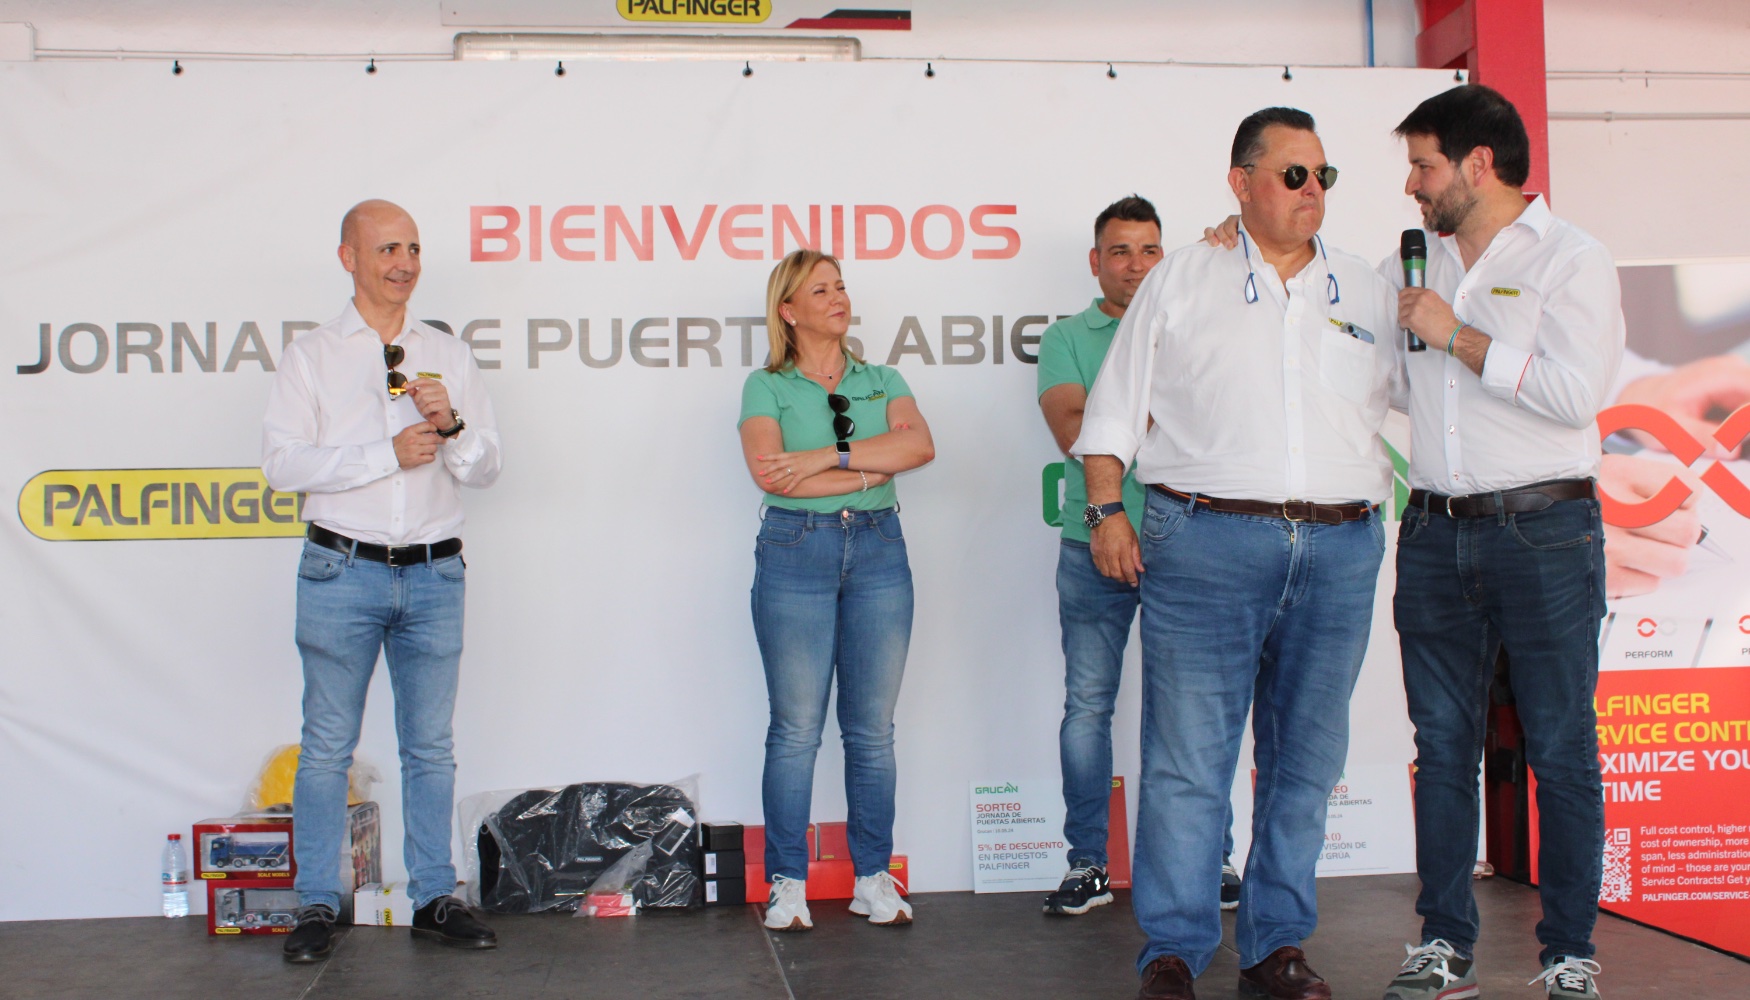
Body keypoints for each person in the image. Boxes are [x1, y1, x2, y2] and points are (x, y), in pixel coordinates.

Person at [1075, 108, 1398, 1000]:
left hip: (1340, 549)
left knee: (1306, 762)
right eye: (1293, 174)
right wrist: (1108, 510)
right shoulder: (1182, 276)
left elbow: (1426, 399)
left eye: (1323, 176)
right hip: (1204, 539)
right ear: (1240, 182)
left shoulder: (1370, 288)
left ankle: (1276, 946)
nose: (1312, 192)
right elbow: (1109, 415)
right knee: (1186, 760)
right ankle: (1173, 951)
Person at [1379, 85, 1622, 1000]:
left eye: (1424, 164)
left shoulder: (1573, 260)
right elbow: (1386, 379)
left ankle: (1568, 954)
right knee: (1440, 746)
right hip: (1436, 531)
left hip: (1547, 532)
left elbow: (1573, 396)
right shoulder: (1411, 263)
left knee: (1561, 745)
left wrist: (1460, 338)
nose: (1411, 183)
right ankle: (1443, 945)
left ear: (1480, 164)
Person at [262, 199, 503, 962]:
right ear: (349, 259)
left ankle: (436, 895)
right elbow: (282, 465)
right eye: (387, 248)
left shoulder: (446, 352)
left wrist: (453, 426)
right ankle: (313, 905)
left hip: (434, 570)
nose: (404, 262)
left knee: (430, 745)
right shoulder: (312, 356)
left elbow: (488, 467)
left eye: (413, 248)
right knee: (327, 746)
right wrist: (382, 453)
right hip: (342, 569)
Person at [1035, 195, 1242, 917]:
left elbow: (1210, 423)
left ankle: (1210, 861)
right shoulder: (1065, 337)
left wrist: (1118, 414)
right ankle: (1087, 863)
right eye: (1119, 251)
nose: (1134, 264)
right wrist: (1156, 410)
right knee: (1087, 706)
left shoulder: (1198, 321)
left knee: (1194, 711)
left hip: (1189, 541)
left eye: (1149, 250)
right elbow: (1074, 432)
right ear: (1096, 263)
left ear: (1166, 257)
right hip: (1090, 539)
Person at [737, 249, 936, 931]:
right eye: (820, 289)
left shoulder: (883, 377)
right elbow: (771, 475)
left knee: (871, 731)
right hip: (796, 550)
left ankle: (872, 877)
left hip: (880, 548)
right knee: (794, 730)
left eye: (840, 285)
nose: (837, 297)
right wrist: (868, 470)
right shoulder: (766, 387)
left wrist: (830, 457)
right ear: (788, 311)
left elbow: (919, 448)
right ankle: (787, 881)